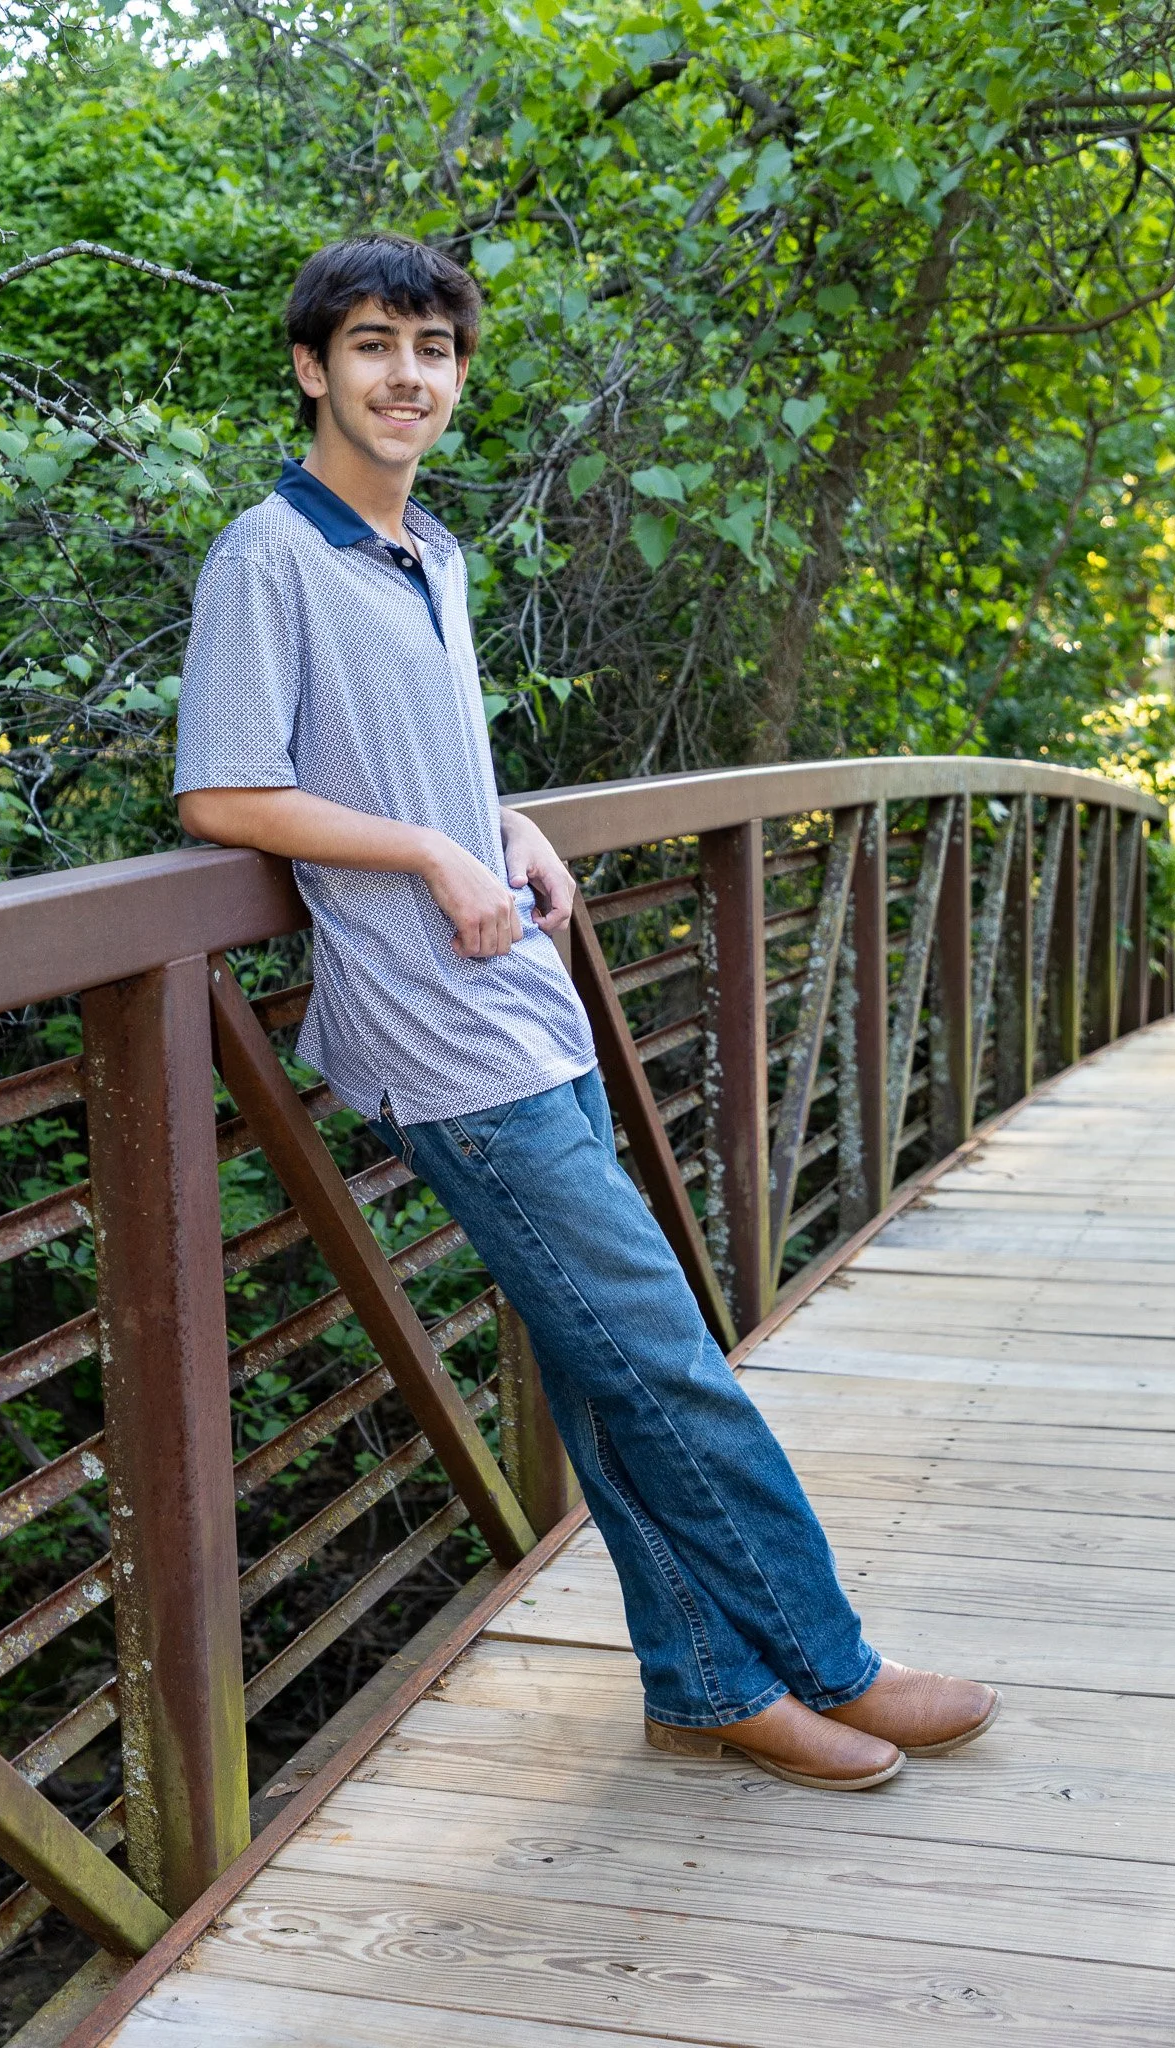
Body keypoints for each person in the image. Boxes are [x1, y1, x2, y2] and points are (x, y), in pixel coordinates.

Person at [174, 233, 999, 1790]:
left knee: (611, 1370)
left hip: (521, 1006)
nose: (405, 374)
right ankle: (834, 1662)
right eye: (371, 345)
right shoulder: (265, 558)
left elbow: (411, 758)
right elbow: (224, 790)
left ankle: (702, 1682)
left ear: (458, 377)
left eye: (432, 348)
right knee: (666, 1355)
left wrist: (497, 821)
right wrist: (425, 848)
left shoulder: (433, 554)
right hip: (436, 1038)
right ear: (310, 367)